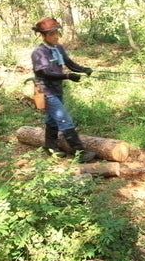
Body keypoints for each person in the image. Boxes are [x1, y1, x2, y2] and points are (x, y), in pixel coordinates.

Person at [31, 17, 96, 162]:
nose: (56, 37)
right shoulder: (39, 52)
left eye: (57, 33)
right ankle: (80, 152)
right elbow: (44, 73)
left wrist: (83, 69)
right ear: (43, 35)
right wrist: (67, 76)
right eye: (52, 34)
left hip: (56, 88)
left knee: (52, 120)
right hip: (44, 90)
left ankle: (50, 147)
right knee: (64, 119)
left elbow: (69, 63)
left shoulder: (58, 48)